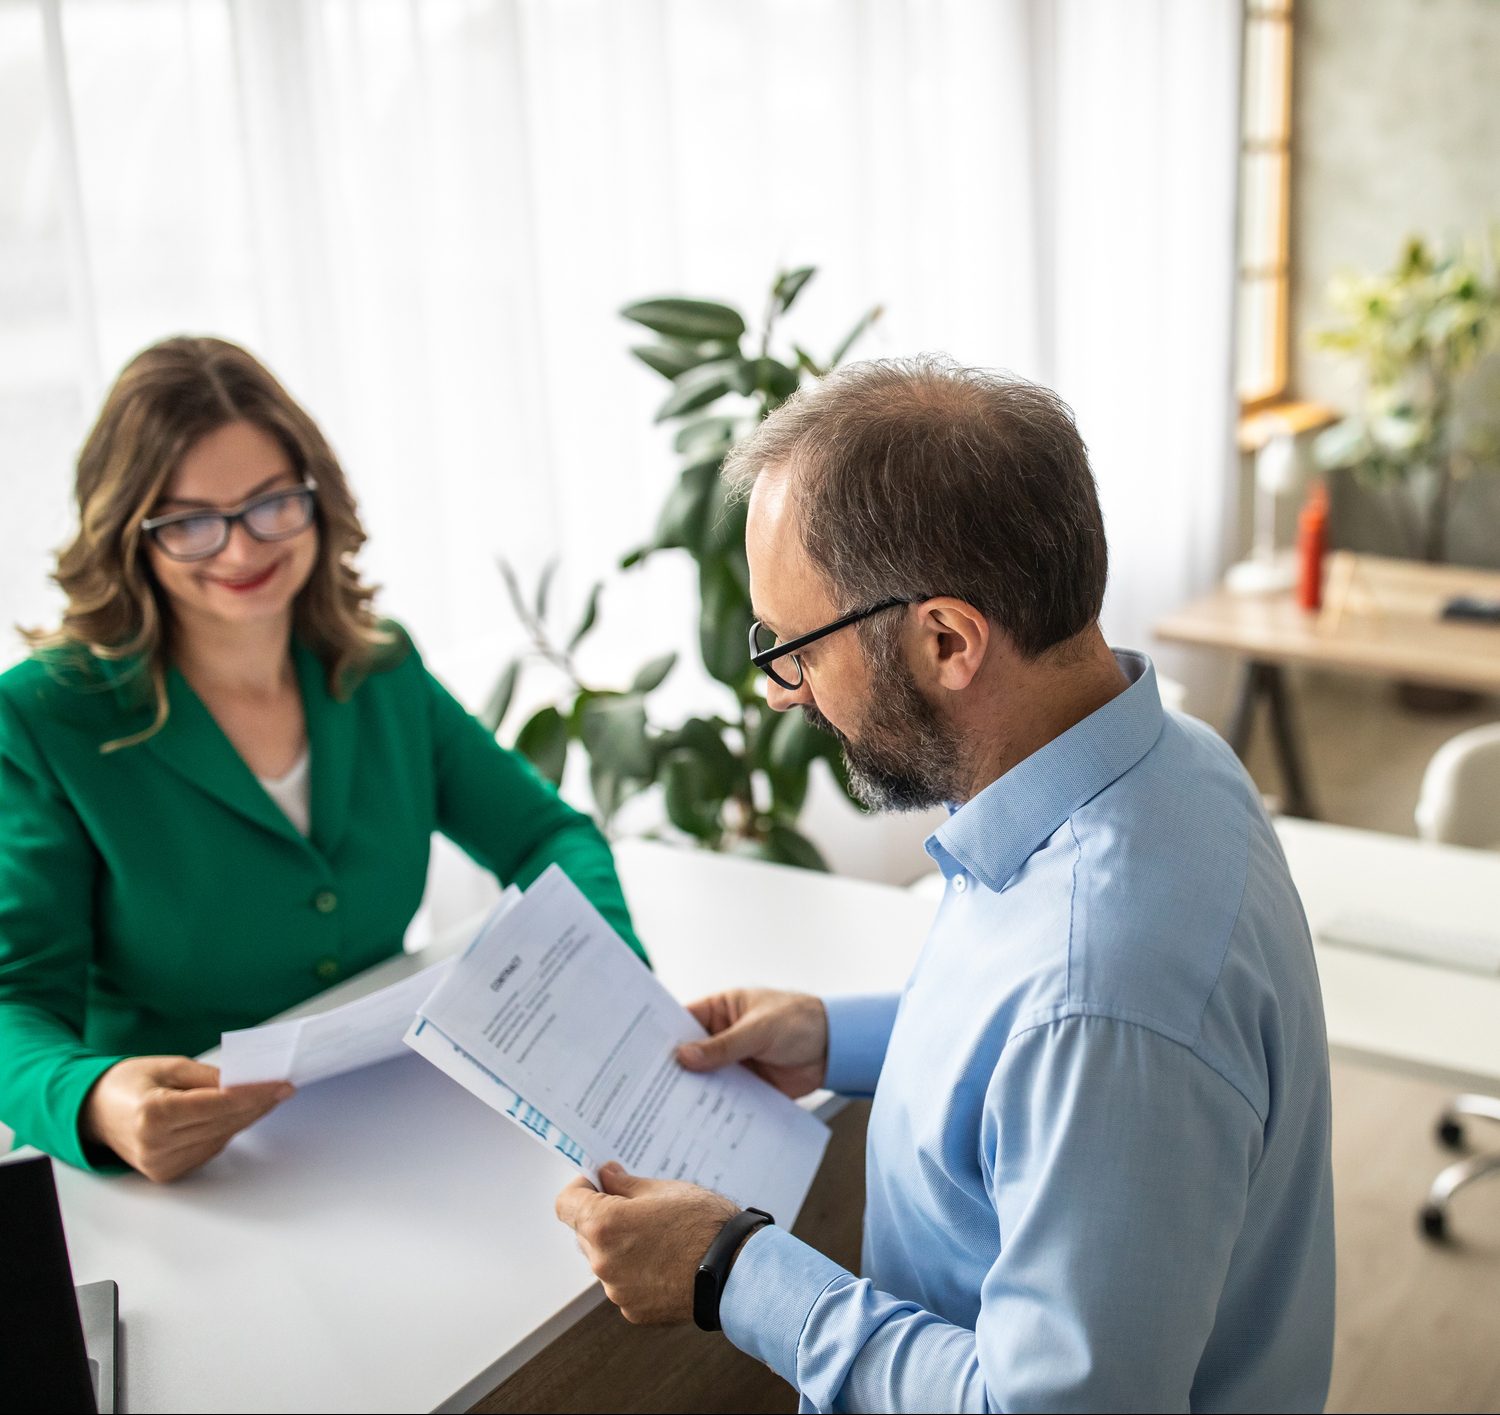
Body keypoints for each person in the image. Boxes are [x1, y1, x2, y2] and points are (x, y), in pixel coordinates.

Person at [555, 359, 1335, 1412]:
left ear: (947, 639)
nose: (786, 694)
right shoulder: (1155, 760)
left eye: (797, 649)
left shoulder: (1101, 994)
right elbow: (1031, 1051)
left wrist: (726, 1269)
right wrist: (840, 1033)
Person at [0, 336, 645, 1183]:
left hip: (394, 1128)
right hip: (199, 1178)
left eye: (272, 503)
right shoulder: (46, 714)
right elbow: (15, 1002)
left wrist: (606, 974)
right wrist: (94, 1097)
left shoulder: (378, 665)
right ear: (131, 535)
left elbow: (547, 835)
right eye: (191, 522)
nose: (241, 549)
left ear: (318, 497)